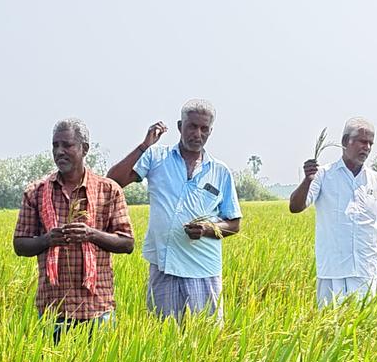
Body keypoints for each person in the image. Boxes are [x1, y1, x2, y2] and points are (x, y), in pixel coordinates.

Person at [106, 99, 241, 321]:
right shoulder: (156, 157)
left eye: (204, 128)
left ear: (211, 131)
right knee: (163, 341)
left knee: (205, 343)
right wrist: (143, 146)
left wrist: (207, 229)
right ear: (180, 126)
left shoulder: (220, 171)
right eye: (192, 126)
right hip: (164, 268)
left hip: (204, 270)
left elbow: (234, 225)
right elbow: (113, 181)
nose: (198, 133)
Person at [14, 119, 133, 341]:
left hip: (97, 308)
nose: (59, 151)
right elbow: (20, 244)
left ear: (84, 149)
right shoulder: (36, 192)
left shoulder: (108, 190)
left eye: (67, 145)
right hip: (53, 308)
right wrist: (48, 240)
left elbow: (127, 243)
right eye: (55, 145)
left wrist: (91, 234)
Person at [288, 117, 377, 305]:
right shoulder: (323, 175)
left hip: (365, 271)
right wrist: (307, 180)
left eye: (370, 143)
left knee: (362, 329)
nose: (367, 147)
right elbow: (296, 207)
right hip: (332, 272)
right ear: (345, 142)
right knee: (328, 327)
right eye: (362, 141)